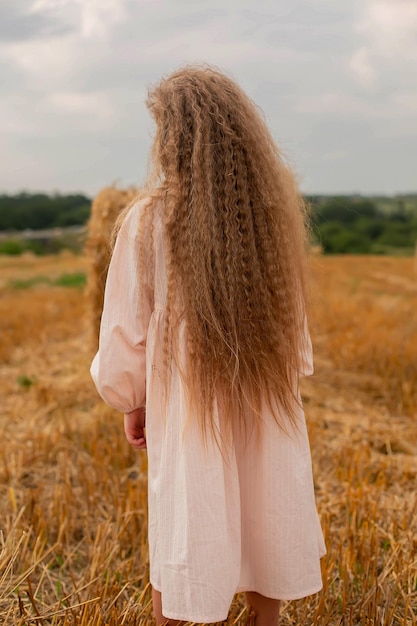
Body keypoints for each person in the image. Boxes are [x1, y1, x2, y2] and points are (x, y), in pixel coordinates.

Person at [91, 65, 326, 626]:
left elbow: (127, 331)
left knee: (187, 530)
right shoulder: (268, 217)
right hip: (265, 396)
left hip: (188, 410)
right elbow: (294, 333)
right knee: (265, 516)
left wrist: (131, 399)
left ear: (173, 140)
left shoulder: (149, 220)